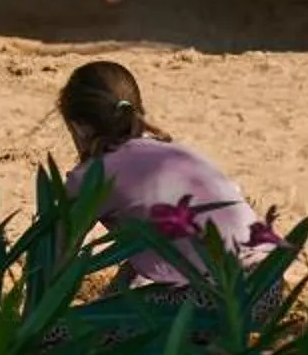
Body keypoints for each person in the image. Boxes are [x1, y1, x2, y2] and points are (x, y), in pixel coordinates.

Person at [56, 59, 282, 321]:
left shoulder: (91, 177)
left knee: (69, 332)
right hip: (269, 284)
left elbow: (54, 263)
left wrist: (36, 332)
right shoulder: (174, 152)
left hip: (218, 298)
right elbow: (150, 250)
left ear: (79, 127)